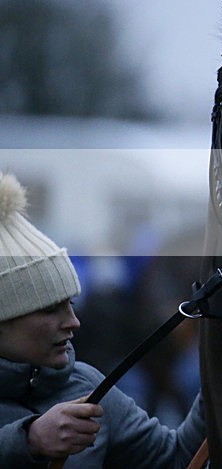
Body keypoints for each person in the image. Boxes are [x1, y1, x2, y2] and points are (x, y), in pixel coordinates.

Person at [0, 173, 204, 467]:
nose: (73, 322)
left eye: (70, 304)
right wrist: (28, 440)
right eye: (48, 310)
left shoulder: (88, 387)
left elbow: (174, 459)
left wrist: (220, 376)